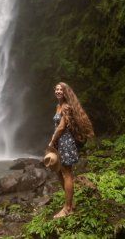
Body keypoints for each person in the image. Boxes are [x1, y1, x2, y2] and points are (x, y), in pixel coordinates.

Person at [48, 82, 94, 218]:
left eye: (60, 89)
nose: (58, 91)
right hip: (59, 143)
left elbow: (62, 127)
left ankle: (67, 208)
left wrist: (51, 141)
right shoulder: (58, 106)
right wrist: (54, 140)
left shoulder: (66, 107)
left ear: (65, 92)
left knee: (66, 174)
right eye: (56, 89)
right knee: (58, 172)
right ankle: (70, 202)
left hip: (66, 142)